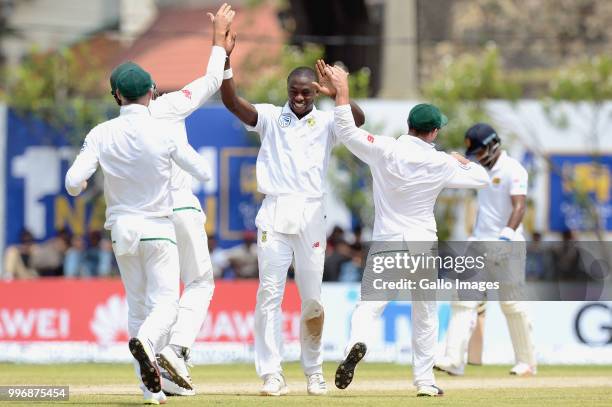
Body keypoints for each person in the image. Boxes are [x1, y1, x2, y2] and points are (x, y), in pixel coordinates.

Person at [65, 9, 231, 403]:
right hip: (173, 214)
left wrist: (85, 180)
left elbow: (74, 182)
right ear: (152, 89)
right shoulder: (169, 110)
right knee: (192, 289)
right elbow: (210, 82)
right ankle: (174, 351)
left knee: (139, 305)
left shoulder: (103, 132)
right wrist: (218, 42)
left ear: (117, 95)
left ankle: (152, 389)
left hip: (123, 229)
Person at [321, 64, 489, 397]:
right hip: (422, 244)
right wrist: (462, 160)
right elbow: (483, 180)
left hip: (388, 242)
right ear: (434, 132)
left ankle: (356, 344)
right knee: (425, 315)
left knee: (369, 306)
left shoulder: (385, 149)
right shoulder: (441, 163)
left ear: (409, 126)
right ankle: (425, 382)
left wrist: (342, 94)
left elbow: (348, 132)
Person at [220, 40, 365, 394]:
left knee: (312, 298)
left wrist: (336, 94)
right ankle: (272, 374)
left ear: (314, 94)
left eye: (306, 93)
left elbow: (357, 120)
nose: (299, 97)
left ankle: (313, 372)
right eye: (294, 91)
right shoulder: (270, 116)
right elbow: (231, 102)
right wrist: (224, 59)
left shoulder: (328, 121)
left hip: (311, 213)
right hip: (274, 211)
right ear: (287, 91)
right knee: (269, 295)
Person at [435, 123, 537, 377]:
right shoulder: (479, 170)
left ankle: (527, 363)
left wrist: (505, 237)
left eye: (480, 152)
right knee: (462, 301)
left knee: (511, 304)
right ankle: (454, 360)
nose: (478, 157)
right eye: (475, 153)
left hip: (508, 243)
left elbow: (519, 207)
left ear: (493, 145)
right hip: (479, 243)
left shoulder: (514, 169)